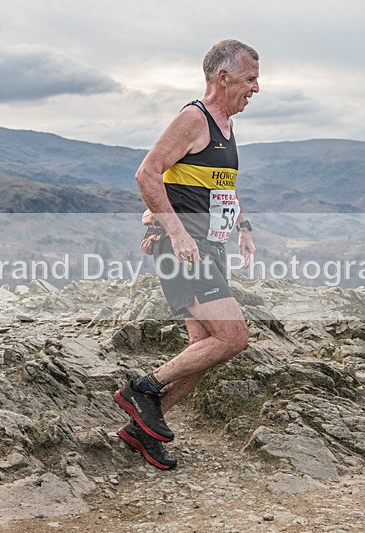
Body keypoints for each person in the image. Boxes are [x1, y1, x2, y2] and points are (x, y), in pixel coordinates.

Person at [114, 39, 259, 470]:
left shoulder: (226, 127)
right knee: (232, 338)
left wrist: (243, 228)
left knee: (202, 347)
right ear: (223, 77)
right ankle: (142, 389)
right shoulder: (194, 118)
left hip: (209, 245)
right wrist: (176, 234)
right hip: (185, 248)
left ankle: (142, 432)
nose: (256, 88)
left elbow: (222, 188)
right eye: (250, 79)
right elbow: (147, 173)